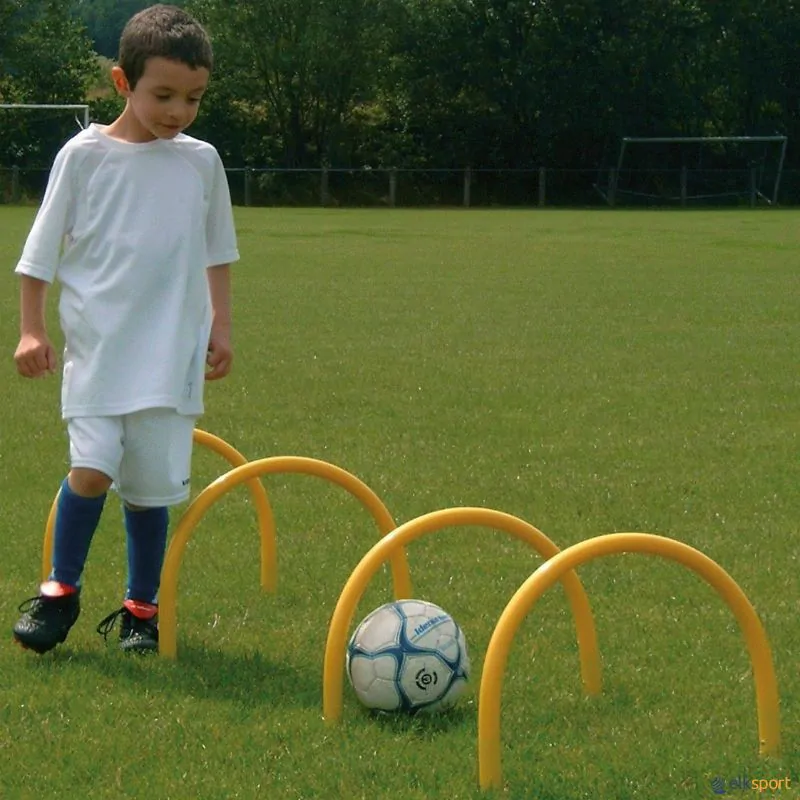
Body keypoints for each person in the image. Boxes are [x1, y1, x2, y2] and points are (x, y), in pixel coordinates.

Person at [11, 3, 238, 654]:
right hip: (98, 354)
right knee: (90, 470)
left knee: (148, 492)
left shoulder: (202, 163)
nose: (179, 111)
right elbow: (38, 254)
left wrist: (221, 326)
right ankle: (59, 593)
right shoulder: (83, 157)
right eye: (163, 95)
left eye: (193, 98)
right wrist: (31, 330)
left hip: (171, 359)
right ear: (122, 82)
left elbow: (218, 251)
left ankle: (141, 609)